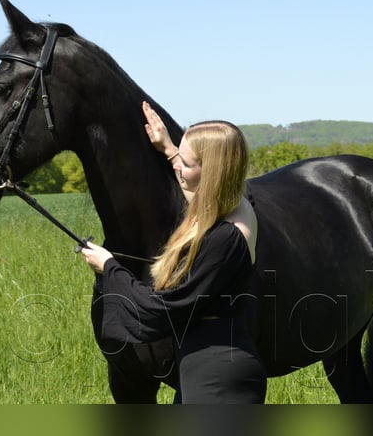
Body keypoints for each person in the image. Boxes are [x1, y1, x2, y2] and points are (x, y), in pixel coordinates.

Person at [80, 101, 266, 404]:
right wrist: (169, 149)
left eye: (187, 163)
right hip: (210, 370)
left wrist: (109, 267)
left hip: (217, 381)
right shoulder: (241, 209)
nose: (178, 166)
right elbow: (202, 195)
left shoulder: (224, 240)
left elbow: (163, 308)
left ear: (213, 172)